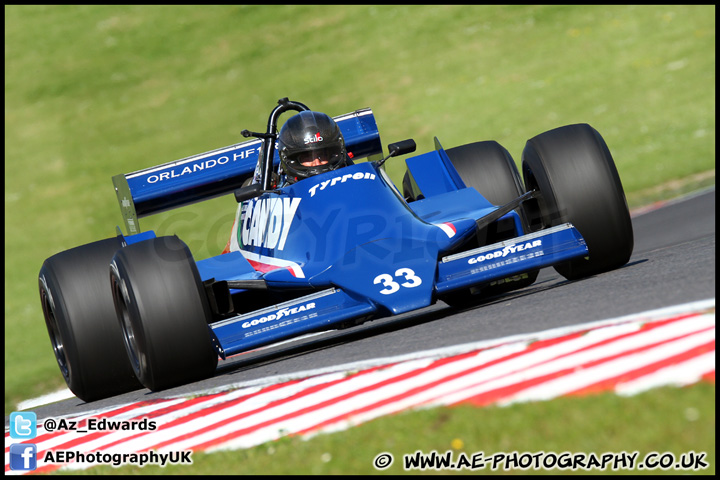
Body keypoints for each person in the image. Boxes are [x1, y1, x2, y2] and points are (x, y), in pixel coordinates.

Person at [222, 111, 351, 253]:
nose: (316, 162)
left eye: (323, 154)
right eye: (307, 157)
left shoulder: (355, 179)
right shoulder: (278, 194)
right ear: (291, 160)